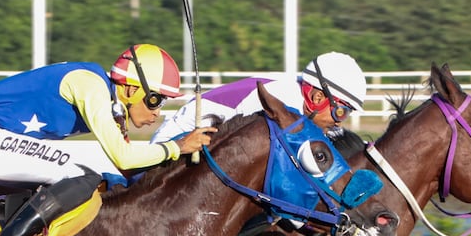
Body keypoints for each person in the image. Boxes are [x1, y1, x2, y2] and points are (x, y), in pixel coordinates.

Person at [0, 44, 216, 236]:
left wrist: (184, 168)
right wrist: (177, 147)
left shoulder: (114, 110)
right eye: (155, 100)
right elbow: (123, 157)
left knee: (85, 178)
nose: (157, 112)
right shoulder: (91, 85)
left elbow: (129, 171)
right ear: (131, 88)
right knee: (80, 177)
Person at [151, 51, 367, 144]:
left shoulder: (297, 97)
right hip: (176, 142)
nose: (340, 122)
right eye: (341, 111)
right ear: (317, 97)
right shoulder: (284, 102)